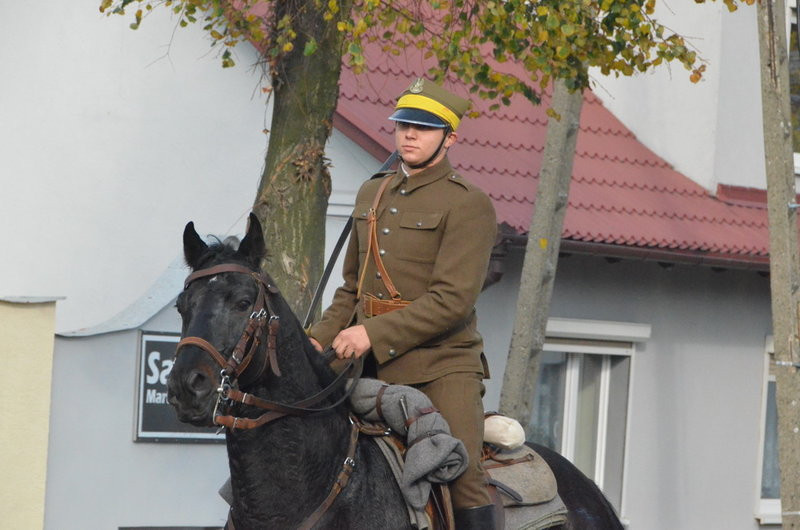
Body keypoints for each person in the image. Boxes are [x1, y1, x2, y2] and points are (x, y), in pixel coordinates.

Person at [308, 78, 498, 529]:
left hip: (440, 365)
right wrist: (315, 340)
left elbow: (451, 301)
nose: (410, 134)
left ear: (450, 137)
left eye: (425, 128)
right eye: (404, 124)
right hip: (361, 361)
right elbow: (352, 289)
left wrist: (370, 334)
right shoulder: (371, 193)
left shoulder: (468, 204)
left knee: (462, 471)